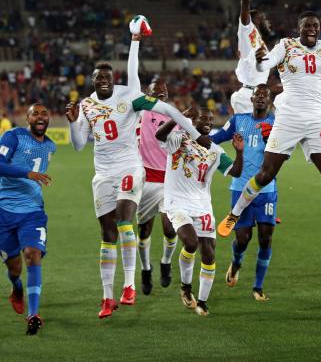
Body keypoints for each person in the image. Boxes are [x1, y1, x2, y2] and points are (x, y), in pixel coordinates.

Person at [66, 24, 213, 319]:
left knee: (123, 219)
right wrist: (72, 122)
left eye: (108, 77)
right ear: (92, 81)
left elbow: (169, 110)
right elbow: (79, 145)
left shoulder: (129, 97)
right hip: (103, 174)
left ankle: (130, 284)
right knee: (107, 235)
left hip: (131, 168)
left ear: (113, 80)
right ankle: (108, 297)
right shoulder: (85, 106)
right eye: (99, 78)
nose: (104, 81)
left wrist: (194, 134)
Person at [217, 12, 321, 250]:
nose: (312, 29)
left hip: (315, 119)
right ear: (299, 28)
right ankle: (235, 213)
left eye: (316, 25)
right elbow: (268, 63)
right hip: (288, 117)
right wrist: (261, 61)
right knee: (266, 174)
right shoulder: (286, 45)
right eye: (307, 26)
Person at [156, 108, 243, 316]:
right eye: (203, 118)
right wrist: (178, 119)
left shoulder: (214, 150)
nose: (208, 122)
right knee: (191, 242)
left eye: (211, 120)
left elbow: (236, 171)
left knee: (209, 253)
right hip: (176, 202)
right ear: (191, 120)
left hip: (202, 205)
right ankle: (186, 287)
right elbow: (159, 135)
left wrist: (240, 151)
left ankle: (202, 301)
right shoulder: (178, 138)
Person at [211, 84, 276, 300]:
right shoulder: (239, 120)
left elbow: (282, 153)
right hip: (240, 187)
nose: (260, 98)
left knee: (266, 239)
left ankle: (258, 287)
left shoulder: (276, 124)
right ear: (251, 99)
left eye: (264, 96)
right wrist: (196, 139)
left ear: (269, 100)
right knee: (243, 239)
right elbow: (218, 137)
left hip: (266, 189)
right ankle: (236, 263)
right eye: (257, 95)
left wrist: (271, 141)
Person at [0, 103, 55, 335]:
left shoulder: (51, 146)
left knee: (32, 255)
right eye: (36, 113)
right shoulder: (13, 136)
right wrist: (28, 174)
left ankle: (33, 314)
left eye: (45, 113)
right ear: (28, 118)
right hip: (3, 211)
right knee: (14, 267)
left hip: (32, 212)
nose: (41, 117)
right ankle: (17, 287)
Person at [136, 79, 178, 295]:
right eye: (156, 91)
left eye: (164, 90)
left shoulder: (175, 117)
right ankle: (145, 269)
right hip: (144, 181)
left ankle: (165, 261)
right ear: (147, 94)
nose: (161, 93)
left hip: (169, 182)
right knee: (143, 230)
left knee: (170, 228)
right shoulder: (139, 113)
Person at [230, 0, 280, 114]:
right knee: (252, 137)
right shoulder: (247, 29)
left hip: (257, 93)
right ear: (255, 19)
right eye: (264, 18)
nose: (268, 21)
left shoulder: (261, 43)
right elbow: (245, 0)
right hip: (248, 96)